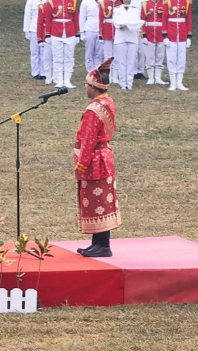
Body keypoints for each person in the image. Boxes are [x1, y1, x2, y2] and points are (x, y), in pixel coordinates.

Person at [74, 57, 120, 257]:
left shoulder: (94, 109)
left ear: (93, 87)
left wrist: (80, 165)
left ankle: (102, 245)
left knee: (96, 200)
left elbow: (88, 139)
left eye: (87, 85)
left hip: (94, 160)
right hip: (105, 157)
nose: (86, 89)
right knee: (101, 198)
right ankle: (98, 242)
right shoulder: (108, 102)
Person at [39, 0, 80, 89]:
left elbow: (76, 18)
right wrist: (47, 34)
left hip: (70, 32)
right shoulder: (51, 2)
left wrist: (77, 33)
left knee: (69, 57)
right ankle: (59, 80)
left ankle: (67, 80)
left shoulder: (73, 1)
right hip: (56, 32)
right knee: (57, 58)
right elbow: (48, 19)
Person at [163, 0, 192, 91]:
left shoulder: (187, 2)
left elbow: (188, 19)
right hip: (171, 33)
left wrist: (189, 36)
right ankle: (173, 82)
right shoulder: (167, 2)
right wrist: (165, 35)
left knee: (181, 59)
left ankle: (179, 82)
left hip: (182, 34)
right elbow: (164, 19)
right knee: (171, 58)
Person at [112, 0, 144, 90]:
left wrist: (128, 24)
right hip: (121, 37)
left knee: (131, 61)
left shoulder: (135, 9)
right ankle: (122, 82)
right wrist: (126, 24)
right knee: (121, 61)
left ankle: (129, 83)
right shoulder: (117, 9)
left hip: (132, 37)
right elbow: (117, 22)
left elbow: (136, 22)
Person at [141, 0, 167, 85]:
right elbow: (142, 20)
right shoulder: (145, 5)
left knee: (160, 55)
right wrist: (143, 34)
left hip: (161, 33)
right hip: (150, 32)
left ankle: (158, 77)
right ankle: (151, 77)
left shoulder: (165, 4)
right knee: (150, 55)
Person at [23, 0, 49, 81]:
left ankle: (43, 72)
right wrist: (26, 30)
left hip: (45, 29)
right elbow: (27, 15)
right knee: (34, 52)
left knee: (44, 51)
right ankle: (35, 72)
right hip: (34, 28)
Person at [98, 0, 121, 85]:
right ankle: (107, 76)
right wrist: (100, 33)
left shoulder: (120, 3)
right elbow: (101, 19)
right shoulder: (103, 3)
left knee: (116, 55)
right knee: (108, 56)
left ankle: (115, 76)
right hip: (107, 31)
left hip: (117, 31)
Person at [79, 0, 104, 72]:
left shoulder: (104, 1)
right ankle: (89, 70)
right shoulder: (86, 1)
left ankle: (97, 69)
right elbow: (82, 17)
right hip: (89, 28)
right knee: (89, 51)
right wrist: (81, 32)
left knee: (99, 52)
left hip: (100, 29)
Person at [129, 0, 149, 80]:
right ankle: (132, 71)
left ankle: (140, 71)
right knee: (133, 49)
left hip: (142, 26)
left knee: (142, 50)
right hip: (132, 26)